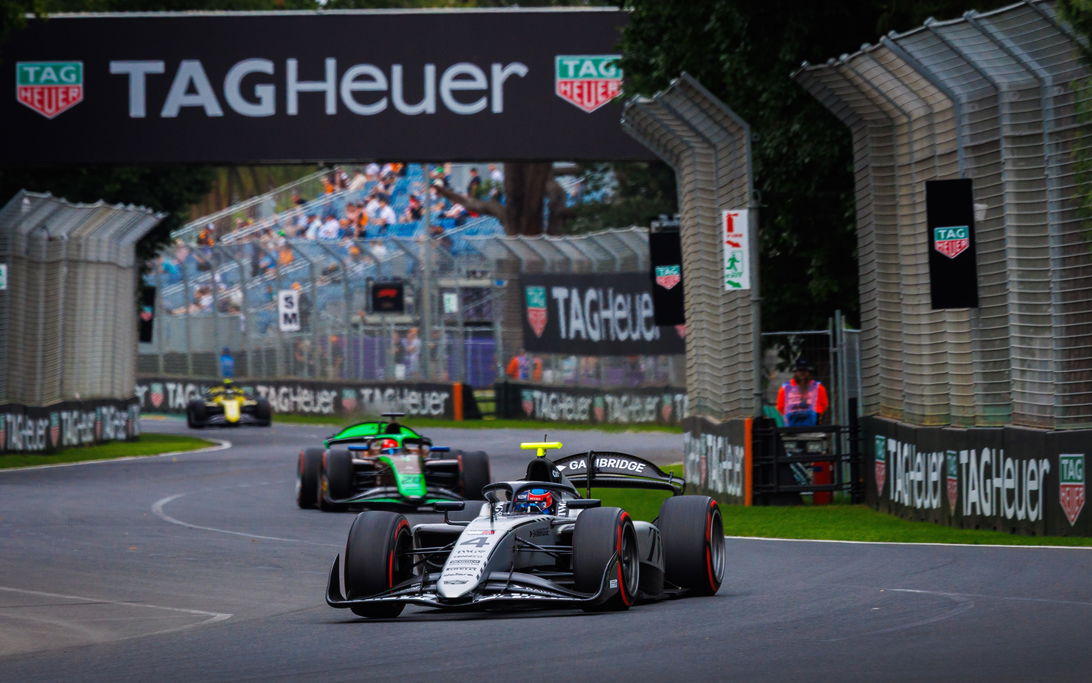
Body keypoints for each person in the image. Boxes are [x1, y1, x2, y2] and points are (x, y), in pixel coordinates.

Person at [776, 360, 829, 427]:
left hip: (813, 425)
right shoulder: (785, 388)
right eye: (800, 370)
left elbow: (824, 405)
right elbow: (780, 406)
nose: (802, 373)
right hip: (792, 425)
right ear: (795, 372)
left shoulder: (818, 387)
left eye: (805, 371)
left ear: (809, 372)